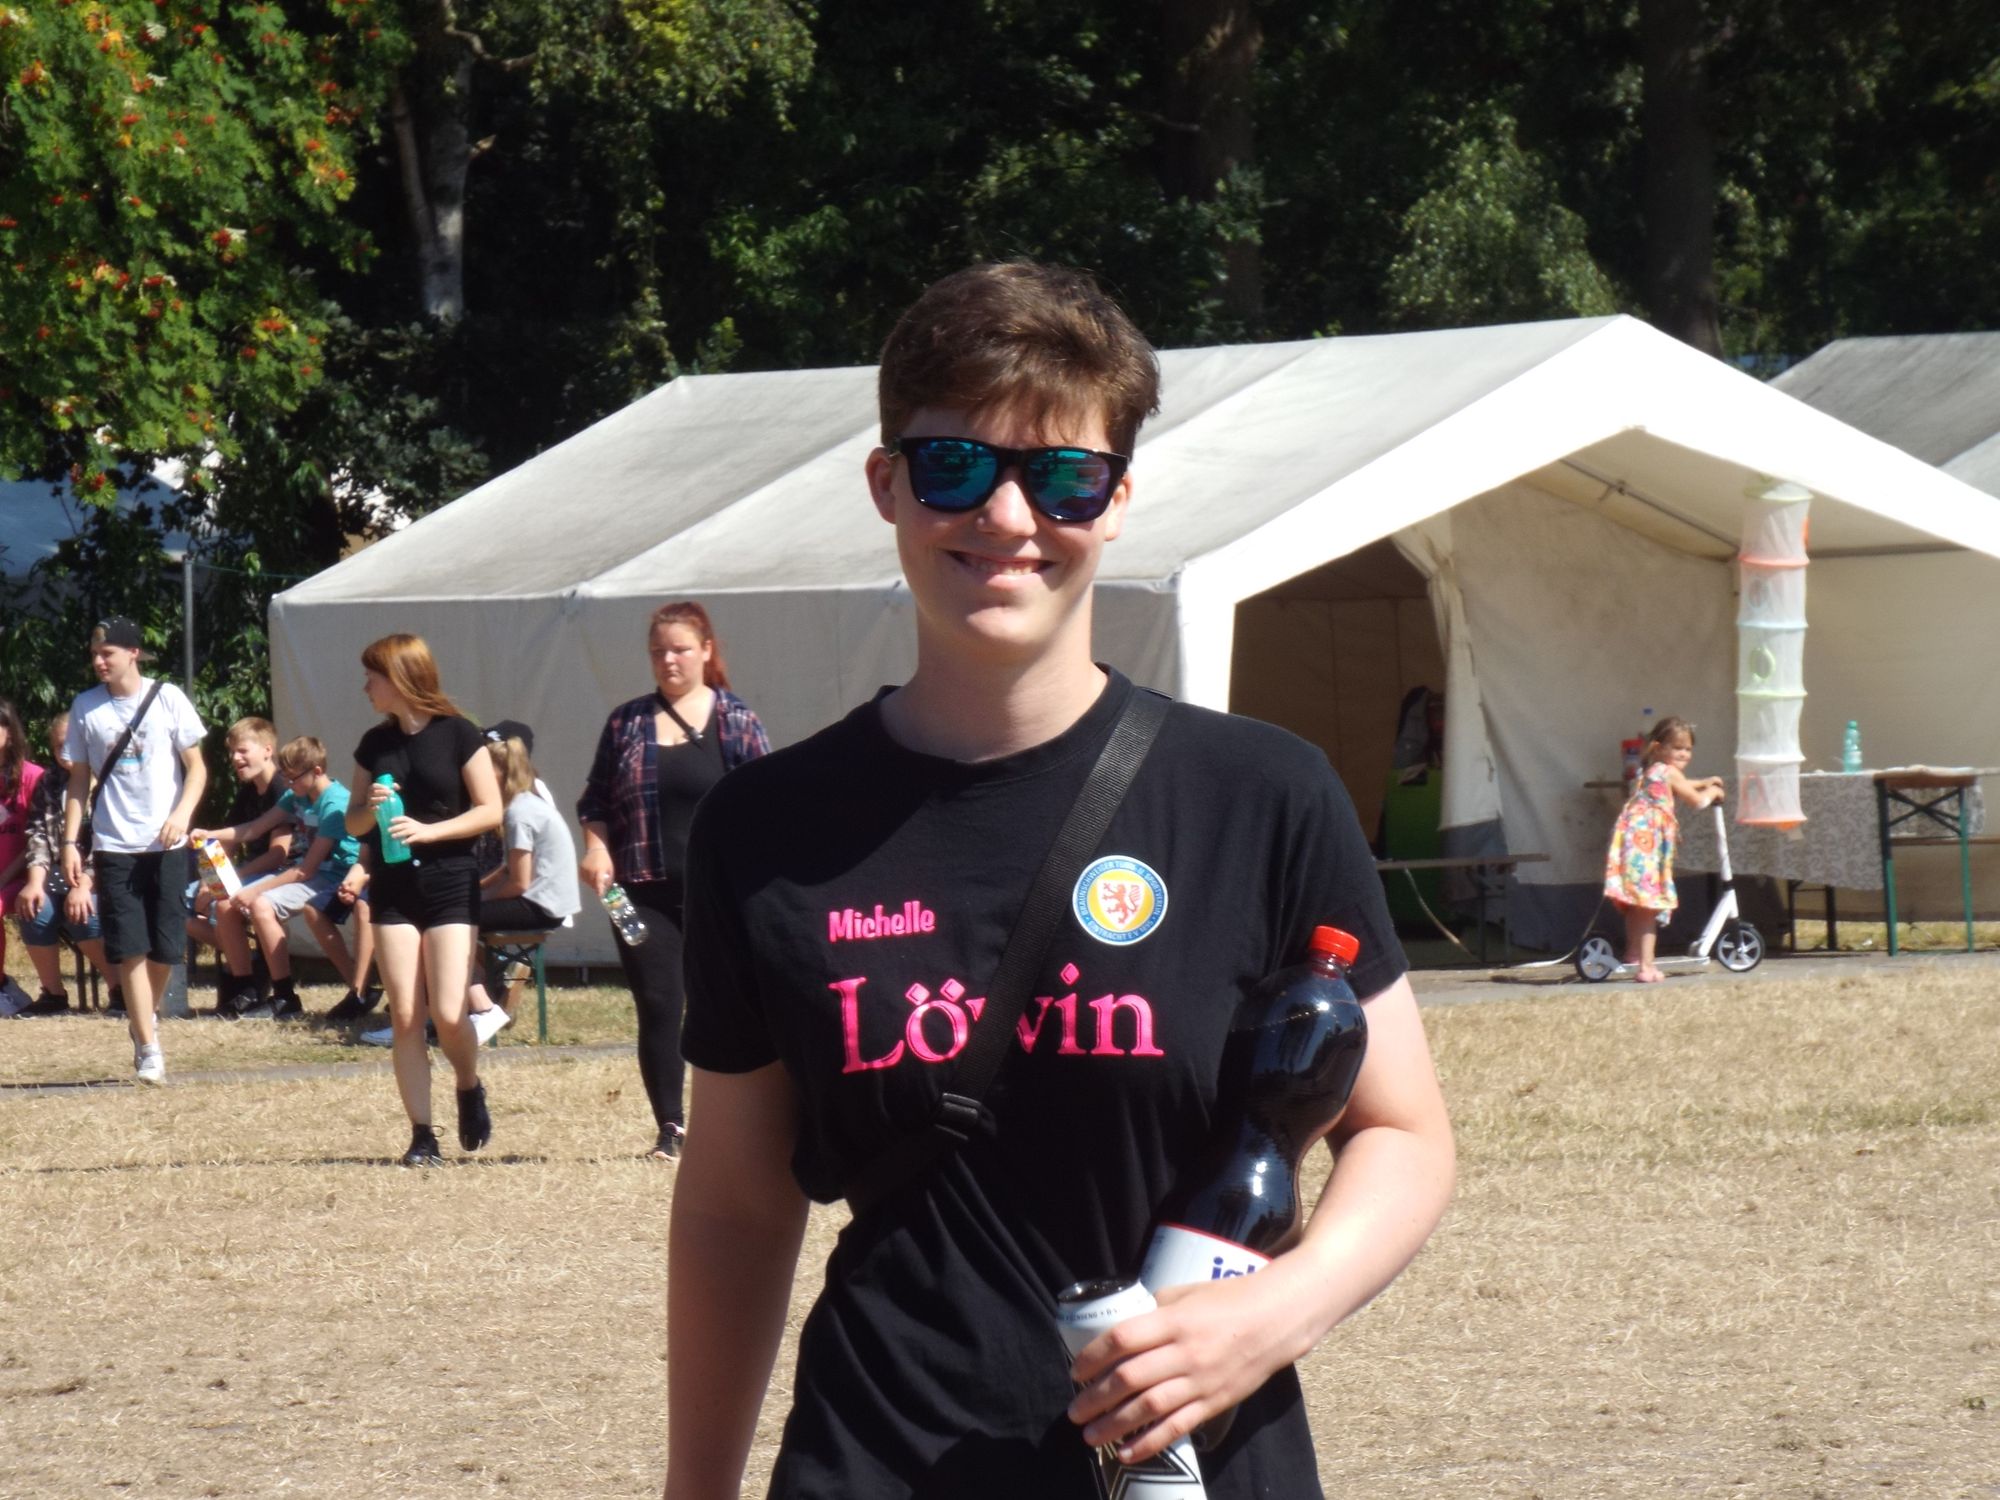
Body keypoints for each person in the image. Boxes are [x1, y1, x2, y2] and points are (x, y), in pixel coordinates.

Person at [663, 262, 1456, 1500]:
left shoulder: (1258, 794)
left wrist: (1272, 1316)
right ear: (885, 485)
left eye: (1062, 475)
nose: (1007, 515)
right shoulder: (766, 826)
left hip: (1191, 1469)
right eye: (954, 466)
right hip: (879, 1462)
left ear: (1118, 497)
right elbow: (733, 1205)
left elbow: (1401, 1134)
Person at [577, 601, 769, 1160]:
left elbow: (766, 801)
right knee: (659, 1002)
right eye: (658, 651)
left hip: (720, 893)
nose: (669, 660)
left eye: (680, 649)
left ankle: (737, 1122)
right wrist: (595, 847)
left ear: (706, 651)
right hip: (636, 894)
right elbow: (595, 800)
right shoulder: (627, 722)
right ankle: (671, 1128)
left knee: (729, 1007)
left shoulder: (737, 719)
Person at [341, 634, 503, 1166]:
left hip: (451, 880)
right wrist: (370, 808)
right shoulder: (374, 744)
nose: (366, 687)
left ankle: (468, 1083)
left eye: (373, 677)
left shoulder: (459, 733)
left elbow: (490, 810)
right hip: (393, 887)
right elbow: (353, 823)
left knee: (450, 1012)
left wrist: (430, 831)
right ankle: (422, 1136)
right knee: (407, 1014)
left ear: (401, 677)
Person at [60, 617, 208, 1084]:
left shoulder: (168, 698)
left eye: (108, 653)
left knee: (167, 949)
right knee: (130, 949)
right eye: (94, 654)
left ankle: (144, 1017)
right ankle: (148, 1046)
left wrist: (182, 814)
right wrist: (70, 841)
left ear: (133, 653)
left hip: (167, 842)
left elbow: (197, 768)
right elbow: (79, 781)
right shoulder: (86, 706)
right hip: (114, 844)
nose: (99, 661)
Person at [193, 736, 367, 1019]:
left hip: (337, 875)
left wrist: (254, 890)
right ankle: (251, 991)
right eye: (285, 777)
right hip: (313, 871)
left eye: (292, 778)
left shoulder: (334, 805)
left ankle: (287, 996)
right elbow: (254, 828)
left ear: (317, 772)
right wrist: (209, 834)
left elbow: (305, 870)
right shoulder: (297, 794)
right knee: (230, 904)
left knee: (261, 904)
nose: (287, 783)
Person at [1602, 715, 1726, 983]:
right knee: (1648, 907)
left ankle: (1633, 954)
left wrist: (1703, 781)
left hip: (1634, 842)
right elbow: (1696, 801)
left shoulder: (1653, 771)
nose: (1683, 753)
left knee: (1637, 904)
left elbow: (1681, 785)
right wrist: (1713, 792)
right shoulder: (1669, 772)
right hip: (1646, 844)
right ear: (1659, 748)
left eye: (1688, 749)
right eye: (1677, 747)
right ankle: (1646, 967)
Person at [14, 712, 122, 1015]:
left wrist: (85, 883)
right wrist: (35, 883)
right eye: (58, 746)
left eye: (70, 744)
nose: (64, 752)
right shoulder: (49, 782)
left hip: (109, 873)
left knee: (84, 913)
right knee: (34, 908)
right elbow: (38, 835)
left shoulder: (112, 781)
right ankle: (53, 994)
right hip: (59, 873)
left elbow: (112, 841)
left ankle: (120, 989)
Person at [185, 717, 294, 1015]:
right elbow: (228, 842)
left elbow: (279, 854)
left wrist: (227, 881)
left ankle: (246, 982)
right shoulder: (248, 791)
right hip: (249, 872)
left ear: (268, 750)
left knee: (223, 905)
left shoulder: (282, 790)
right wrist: (209, 880)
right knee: (178, 907)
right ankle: (251, 965)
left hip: (277, 873)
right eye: (232, 752)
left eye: (242, 751)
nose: (235, 758)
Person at [0, 696, 47, 1012]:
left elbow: (38, 839)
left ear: (10, 732)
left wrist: (4, 877)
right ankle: (6, 986)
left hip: (21, 876)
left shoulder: (32, 776)